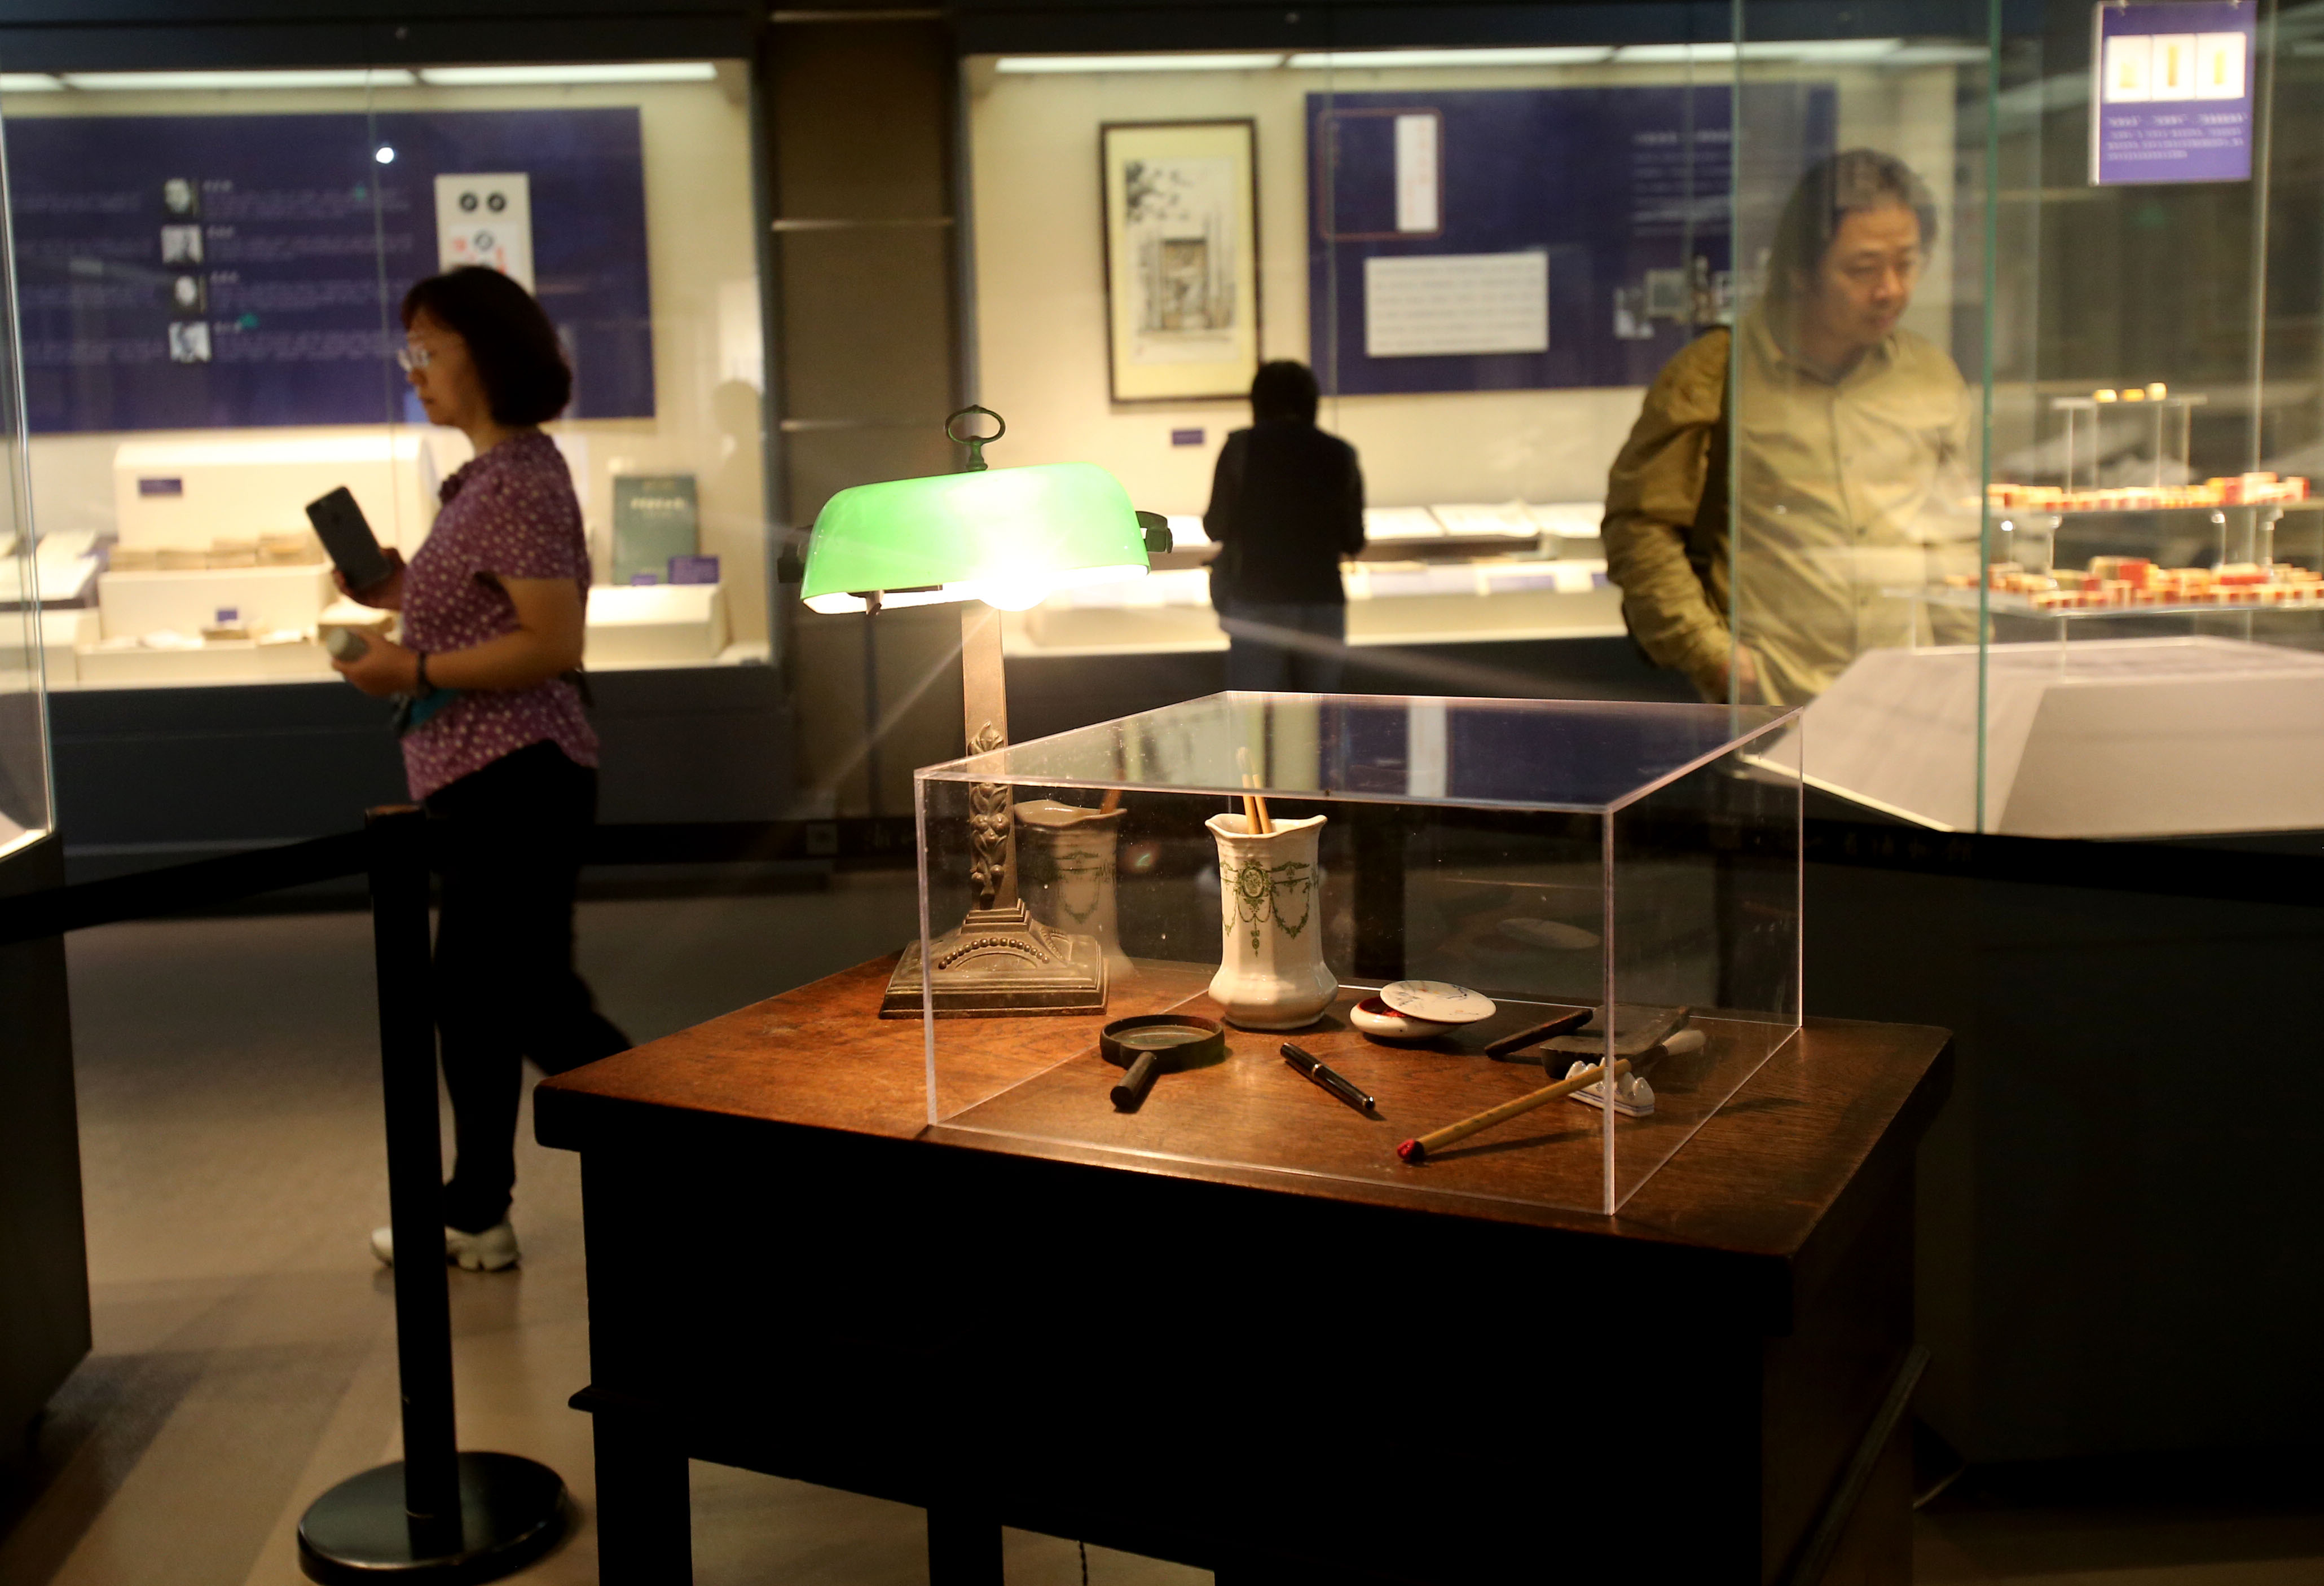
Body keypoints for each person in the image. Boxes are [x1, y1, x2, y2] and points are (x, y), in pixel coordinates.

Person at [332, 266, 630, 1273]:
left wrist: (408, 669)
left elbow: (550, 640)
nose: (413, 370)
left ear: (486, 353)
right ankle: (478, 1205)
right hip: (485, 776)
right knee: (486, 999)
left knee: (524, 1000)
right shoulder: (492, 477)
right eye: (409, 350)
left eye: (428, 348)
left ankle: (690, 1150)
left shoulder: (518, 479)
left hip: (517, 776)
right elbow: (487, 604)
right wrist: (395, 590)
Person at [1603, 148, 1976, 706]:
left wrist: (1965, 668)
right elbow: (1641, 530)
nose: (1891, 289)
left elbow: (1953, 539)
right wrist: (1715, 658)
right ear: (1801, 271)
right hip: (1773, 704)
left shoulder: (1930, 376)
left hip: (1909, 700)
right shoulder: (1715, 375)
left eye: (1906, 263)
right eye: (1863, 268)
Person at [1204, 360, 1367, 693]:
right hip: (1321, 598)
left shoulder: (1240, 448)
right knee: (1321, 713)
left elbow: (1215, 526)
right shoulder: (1340, 453)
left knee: (1254, 715)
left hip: (1257, 598)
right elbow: (1353, 539)